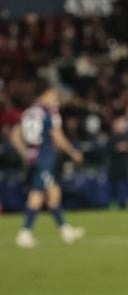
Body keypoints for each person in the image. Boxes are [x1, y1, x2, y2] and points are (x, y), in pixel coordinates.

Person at [11, 81, 85, 248]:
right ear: (46, 93)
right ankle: (25, 232)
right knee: (39, 193)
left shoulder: (29, 112)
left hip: (34, 158)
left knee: (52, 192)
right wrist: (73, 152)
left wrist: (25, 152)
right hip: (44, 158)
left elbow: (15, 135)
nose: (56, 98)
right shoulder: (48, 111)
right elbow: (57, 137)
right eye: (53, 94)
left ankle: (65, 231)